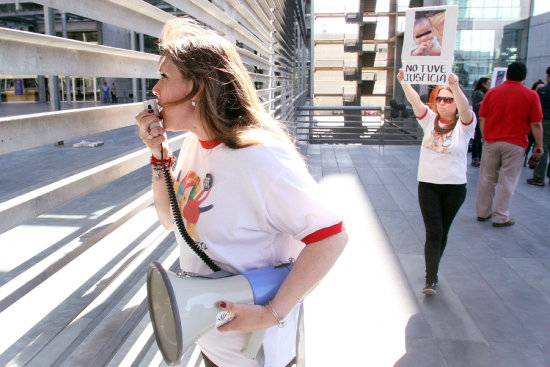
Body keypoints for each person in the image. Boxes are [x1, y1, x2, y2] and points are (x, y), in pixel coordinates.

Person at [136, 17, 347, 367]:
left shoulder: (261, 159)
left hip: (257, 354)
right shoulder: (193, 145)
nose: (155, 90)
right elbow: (168, 220)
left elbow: (332, 236)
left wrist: (272, 313)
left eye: (164, 77)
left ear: (198, 87)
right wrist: (158, 158)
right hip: (212, 338)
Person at [397, 68, 475, 295]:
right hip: (428, 185)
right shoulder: (429, 121)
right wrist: (404, 82)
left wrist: (456, 87)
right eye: (439, 99)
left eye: (448, 100)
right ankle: (430, 279)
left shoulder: (465, 126)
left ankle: (433, 270)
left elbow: (466, 109)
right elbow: (415, 101)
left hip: (455, 188)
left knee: (443, 231)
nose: (442, 103)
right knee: (434, 231)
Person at [476, 62, 543, 227]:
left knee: (487, 178)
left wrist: (485, 138)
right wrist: (539, 145)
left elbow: (482, 118)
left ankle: (483, 213)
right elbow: (536, 123)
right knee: (508, 180)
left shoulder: (492, 93)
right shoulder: (531, 95)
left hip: (492, 141)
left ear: (506, 75)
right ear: (525, 77)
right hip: (516, 143)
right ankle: (500, 217)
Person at [527, 68, 550, 186]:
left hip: (544, 122)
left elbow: (535, 110)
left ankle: (539, 177)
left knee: (542, 149)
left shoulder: (542, 91)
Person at [470, 77, 491, 167]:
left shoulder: (485, 93)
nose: (489, 85)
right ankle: (476, 157)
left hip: (484, 118)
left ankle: (480, 156)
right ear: (483, 84)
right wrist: (486, 101)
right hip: (479, 118)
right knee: (477, 138)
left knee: (481, 138)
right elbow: (476, 105)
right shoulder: (478, 93)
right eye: (488, 83)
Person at [524, 79, 545, 166]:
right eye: (539, 88)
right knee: (529, 142)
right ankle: (526, 160)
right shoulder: (531, 96)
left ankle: (533, 161)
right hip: (531, 125)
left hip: (539, 123)